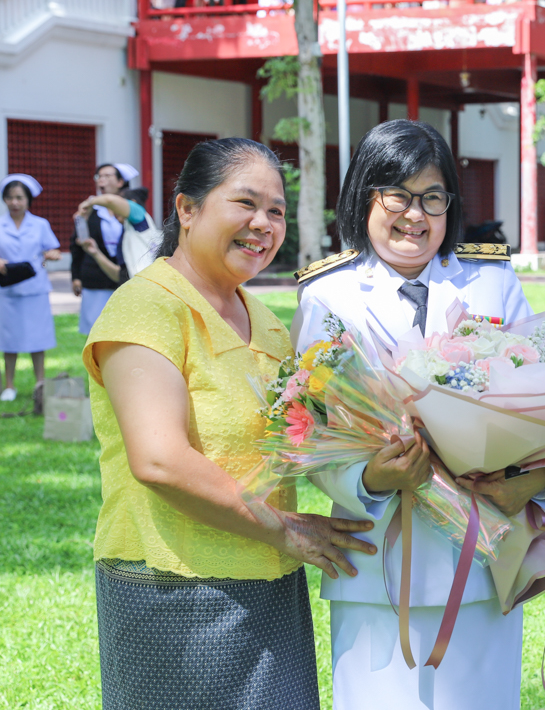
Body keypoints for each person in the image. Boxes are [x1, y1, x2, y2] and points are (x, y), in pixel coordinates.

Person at [289, 120, 545, 709]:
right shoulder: (327, 295)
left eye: (432, 197)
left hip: (486, 556)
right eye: (397, 195)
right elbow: (308, 429)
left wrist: (539, 481)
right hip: (377, 566)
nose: (415, 215)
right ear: (364, 197)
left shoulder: (492, 280)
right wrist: (369, 479)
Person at [83, 138, 376, 709]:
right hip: (172, 592)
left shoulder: (265, 321)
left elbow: (298, 440)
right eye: (245, 203)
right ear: (187, 209)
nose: (263, 223)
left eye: (277, 211)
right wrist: (284, 528)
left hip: (270, 586)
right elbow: (159, 460)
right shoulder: (146, 306)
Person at [0, 174, 61, 405]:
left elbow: (53, 249)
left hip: (35, 289)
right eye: (10, 198)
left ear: (28, 200)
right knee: (9, 340)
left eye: (19, 197)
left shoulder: (40, 224)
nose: (14, 202)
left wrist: (52, 254)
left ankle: (40, 383)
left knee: (38, 338)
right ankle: (9, 385)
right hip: (7, 290)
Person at [72, 163, 136, 335]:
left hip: (125, 278)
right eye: (99, 176)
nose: (102, 180)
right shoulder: (90, 211)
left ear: (120, 182)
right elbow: (77, 244)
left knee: (123, 331)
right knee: (96, 332)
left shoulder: (131, 209)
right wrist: (76, 276)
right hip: (95, 279)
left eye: (107, 176)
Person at [76, 186, 160, 280]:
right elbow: (120, 276)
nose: (113, 211)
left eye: (114, 207)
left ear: (133, 203)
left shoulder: (140, 217)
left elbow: (110, 201)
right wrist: (96, 253)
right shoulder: (127, 232)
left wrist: (89, 202)